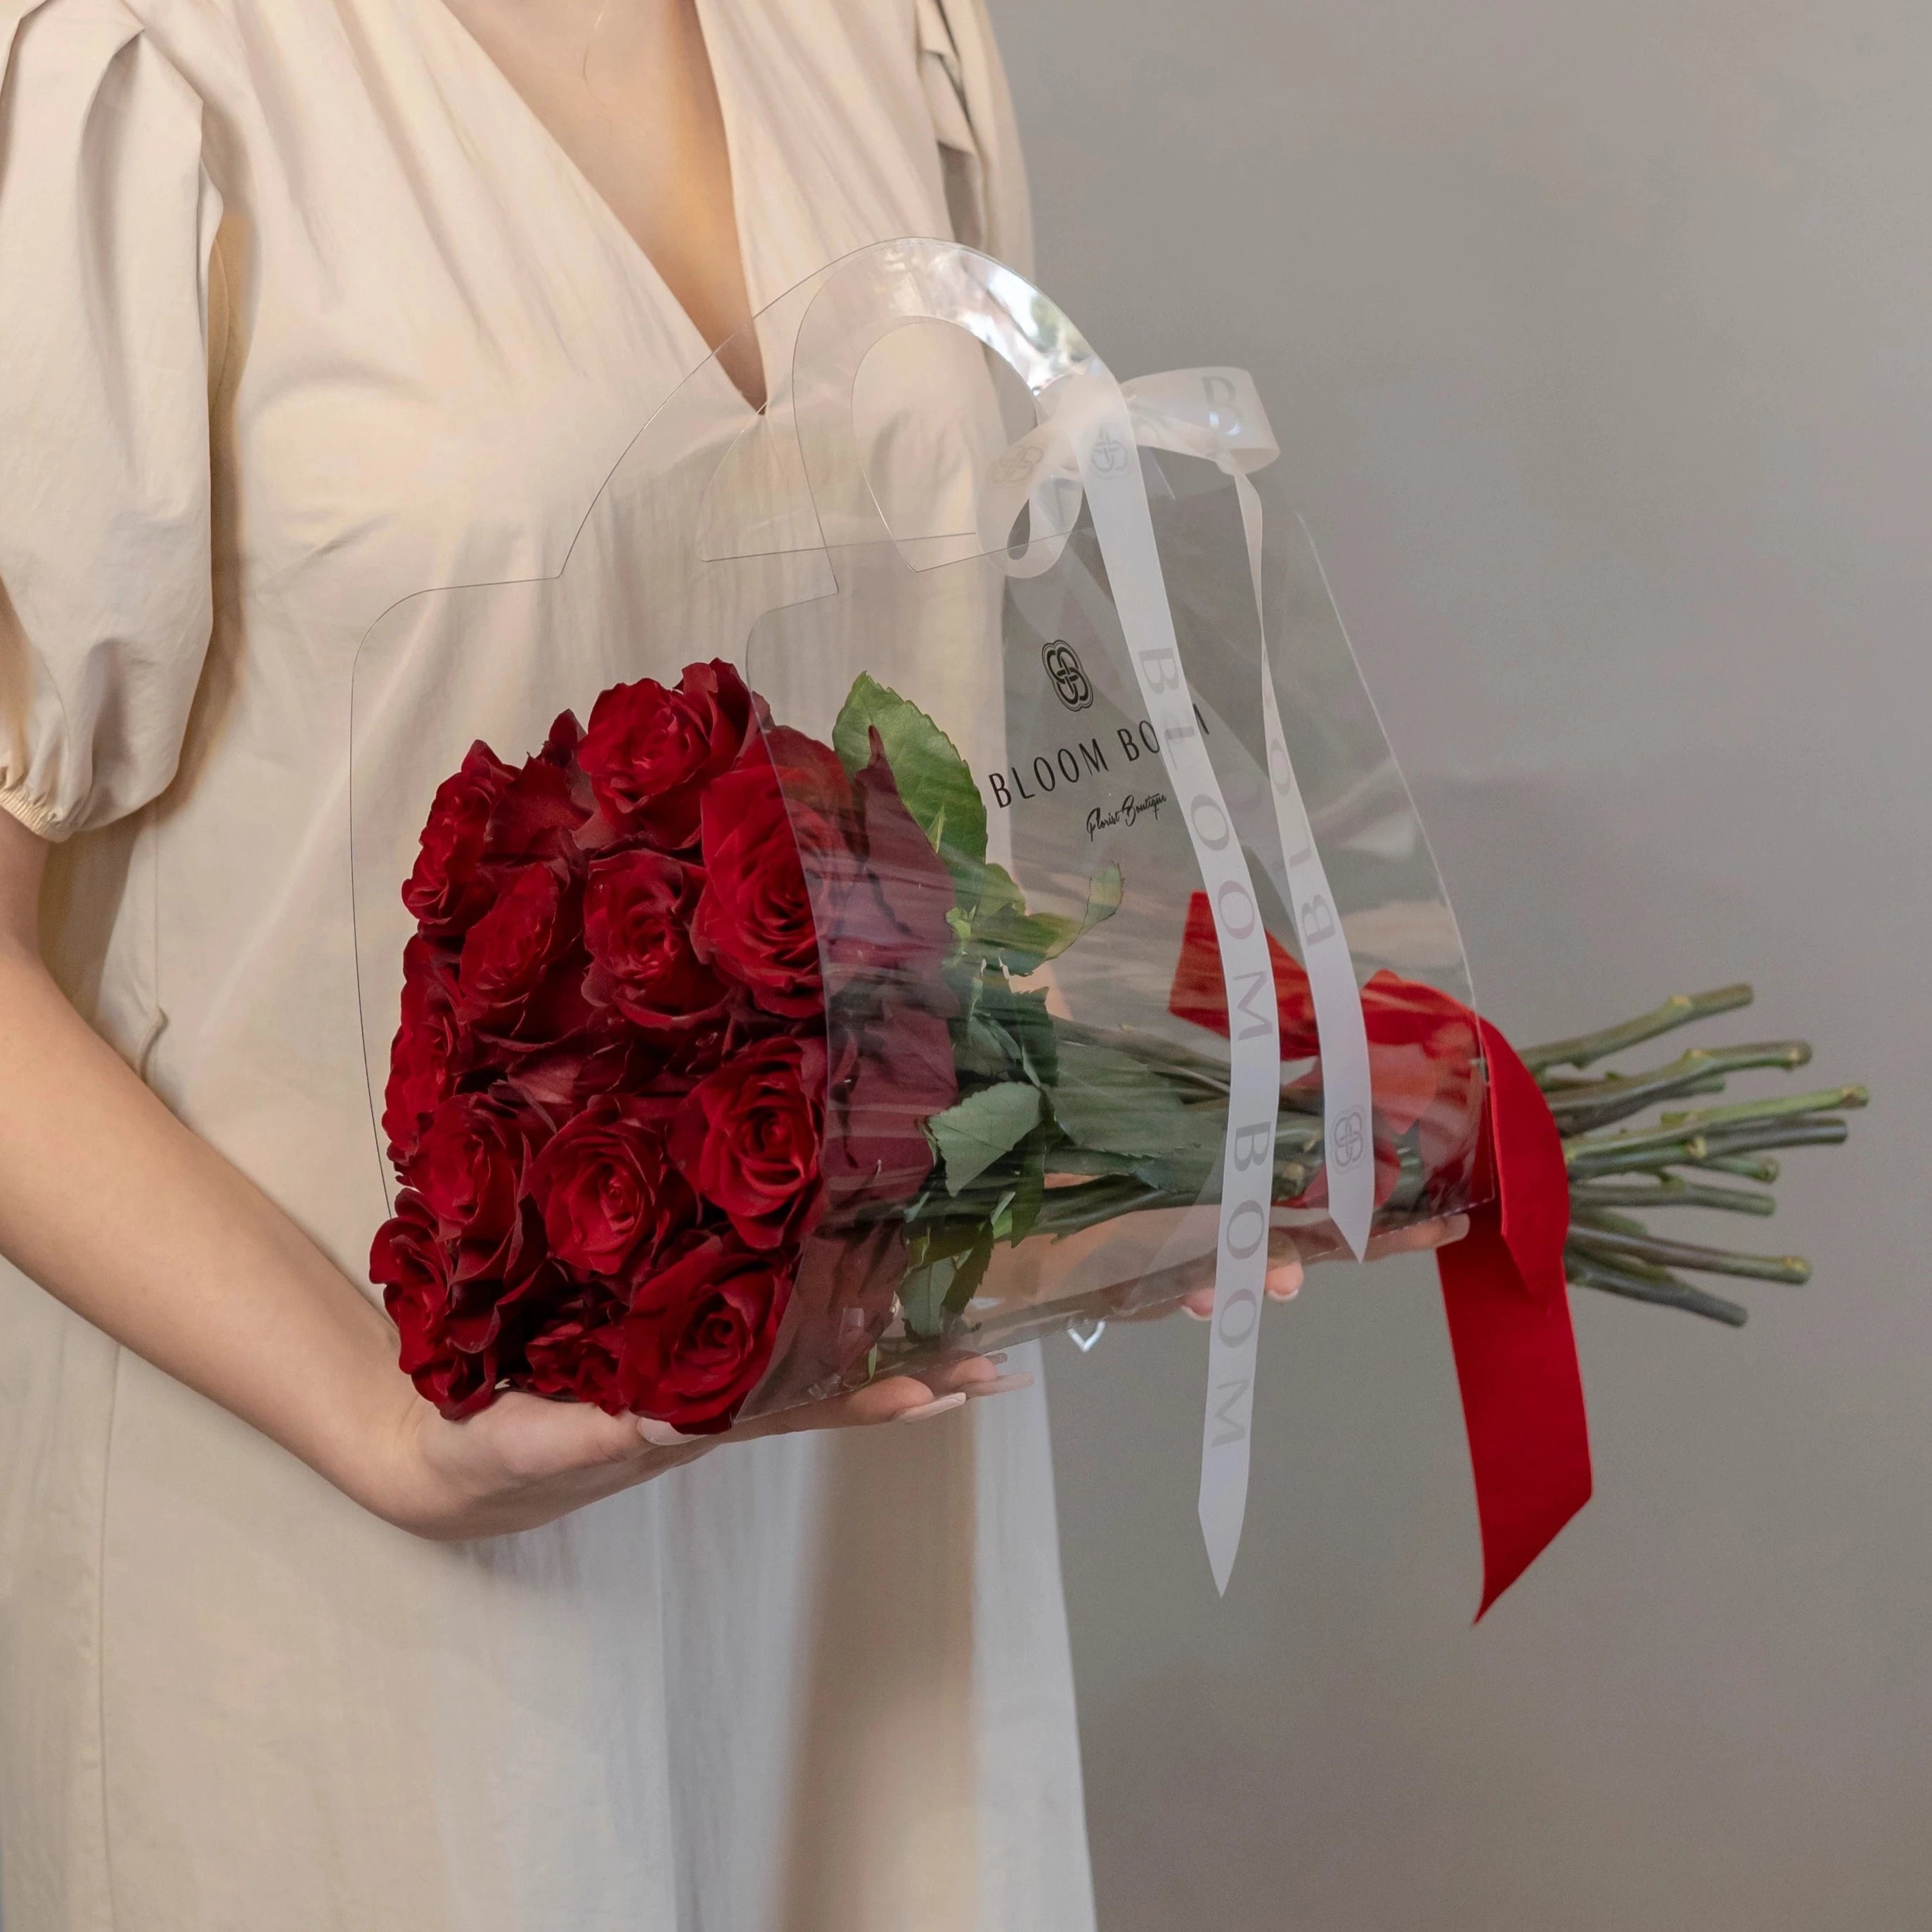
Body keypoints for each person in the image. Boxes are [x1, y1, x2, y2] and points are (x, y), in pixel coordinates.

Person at [0, 2, 1128, 1924]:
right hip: (347, 1524)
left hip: (858, 1493)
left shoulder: (893, 30)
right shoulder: (140, 68)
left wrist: (1185, 1133)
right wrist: (388, 1425)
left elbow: (938, 728)